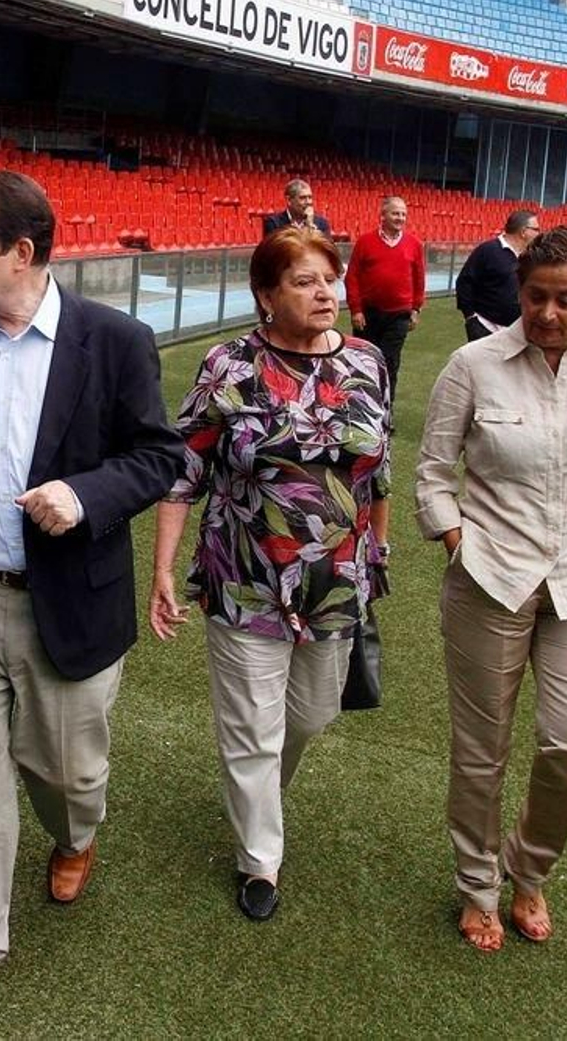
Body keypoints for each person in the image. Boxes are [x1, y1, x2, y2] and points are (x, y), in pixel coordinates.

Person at [0, 170, 184, 1029]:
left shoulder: (116, 341)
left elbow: (158, 458)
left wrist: (85, 495)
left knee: (64, 769)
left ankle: (76, 833)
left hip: (68, 599)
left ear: (22, 252)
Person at [416, 225, 567, 953]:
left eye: (565, 299)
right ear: (518, 291)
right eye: (535, 296)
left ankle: (530, 870)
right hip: (489, 578)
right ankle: (477, 886)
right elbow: (434, 468)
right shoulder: (474, 363)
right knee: (481, 748)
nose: (547, 313)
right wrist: (456, 539)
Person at [150, 227, 392, 923]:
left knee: (312, 713)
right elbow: (183, 470)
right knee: (252, 729)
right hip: (244, 572)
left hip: (337, 579)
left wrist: (380, 550)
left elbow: (380, 468)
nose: (323, 293)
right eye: (303, 281)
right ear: (265, 295)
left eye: (328, 278)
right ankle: (260, 859)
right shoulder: (229, 365)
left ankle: (259, 794)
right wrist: (164, 568)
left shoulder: (369, 362)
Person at [345, 195, 426, 390]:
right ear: (382, 215)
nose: (400, 218)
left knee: (390, 361)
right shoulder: (365, 242)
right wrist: (356, 310)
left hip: (399, 314)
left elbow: (419, 278)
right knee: (363, 361)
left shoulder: (414, 244)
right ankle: (363, 405)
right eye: (395, 213)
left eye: (403, 214)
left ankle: (385, 410)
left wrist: (416, 309)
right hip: (368, 313)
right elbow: (352, 277)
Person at [455, 209, 540, 342]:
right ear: (523, 232)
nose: (539, 233)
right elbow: (465, 282)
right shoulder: (487, 251)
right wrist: (470, 317)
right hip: (484, 328)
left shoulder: (530, 257)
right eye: (536, 229)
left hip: (516, 332)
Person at [262, 178, 332, 237]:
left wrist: (310, 226)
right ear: (289, 200)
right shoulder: (274, 224)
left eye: (310, 197)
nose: (308, 202)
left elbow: (325, 251)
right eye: (302, 198)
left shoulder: (321, 224)